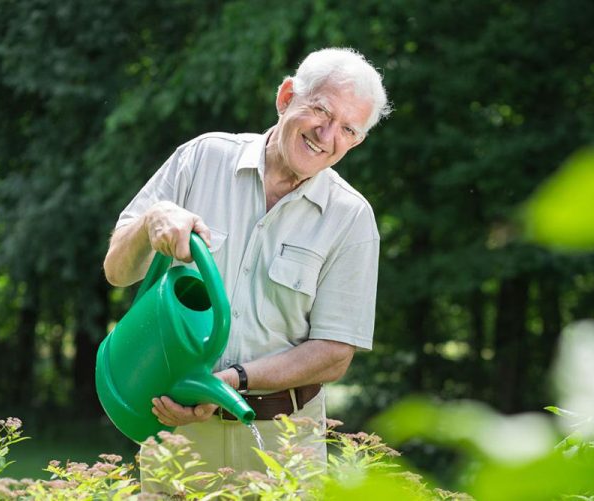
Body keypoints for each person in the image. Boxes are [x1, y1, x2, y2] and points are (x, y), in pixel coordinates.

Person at [102, 47, 391, 480]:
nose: (327, 136)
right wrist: (151, 220)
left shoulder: (350, 218)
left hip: (283, 438)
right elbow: (117, 272)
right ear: (287, 97)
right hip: (177, 430)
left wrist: (230, 382)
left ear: (357, 140)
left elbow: (334, 354)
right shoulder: (202, 159)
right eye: (321, 111)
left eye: (347, 129)